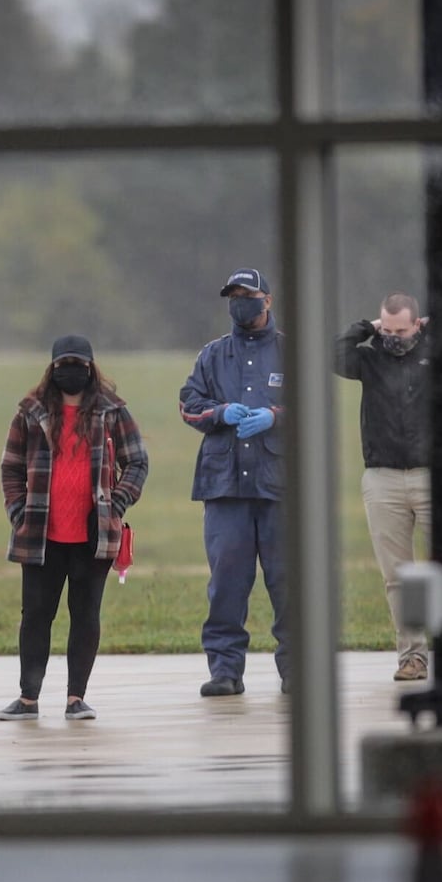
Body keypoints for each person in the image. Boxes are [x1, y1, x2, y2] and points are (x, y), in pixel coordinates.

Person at [334, 295, 442, 682]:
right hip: (383, 478)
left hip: (433, 476)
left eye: (401, 331)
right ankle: (412, 656)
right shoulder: (369, 359)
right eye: (387, 331)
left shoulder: (436, 355)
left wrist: (436, 327)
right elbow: (331, 354)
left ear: (416, 325)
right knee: (398, 576)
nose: (394, 338)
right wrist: (367, 328)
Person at [0, 335, 147, 721]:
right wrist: (19, 511)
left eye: (79, 366)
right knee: (35, 616)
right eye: (64, 365)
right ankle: (28, 699)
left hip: (93, 536)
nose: (71, 372)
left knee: (86, 616)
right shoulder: (30, 413)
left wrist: (116, 504)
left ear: (91, 369)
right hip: (40, 535)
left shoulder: (113, 412)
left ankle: (75, 699)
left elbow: (137, 462)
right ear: (52, 369)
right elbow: (11, 466)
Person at [179, 267, 290, 696]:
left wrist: (275, 417)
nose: (240, 302)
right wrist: (219, 413)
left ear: (268, 299)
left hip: (279, 487)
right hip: (224, 488)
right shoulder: (212, 355)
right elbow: (189, 404)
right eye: (233, 296)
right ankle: (225, 670)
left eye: (248, 294)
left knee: (286, 580)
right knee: (226, 582)